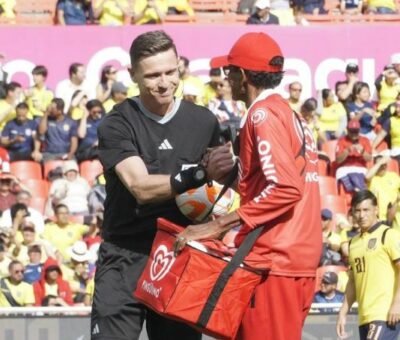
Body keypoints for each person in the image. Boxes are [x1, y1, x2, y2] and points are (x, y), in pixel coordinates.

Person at [177, 32, 322, 340]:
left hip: (274, 259)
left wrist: (216, 227)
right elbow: (281, 183)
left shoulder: (262, 113)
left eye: (228, 71)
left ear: (242, 75)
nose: (225, 78)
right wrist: (236, 172)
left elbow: (285, 189)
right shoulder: (290, 114)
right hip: (294, 256)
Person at [91, 30, 232, 340]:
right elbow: (140, 186)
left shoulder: (204, 121)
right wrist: (198, 174)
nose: (164, 82)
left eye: (171, 71)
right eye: (153, 75)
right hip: (125, 255)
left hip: (181, 253)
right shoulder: (117, 122)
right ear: (132, 75)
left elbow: (221, 184)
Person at [336, 190, 400, 340]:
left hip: (386, 313)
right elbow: (352, 281)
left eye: (366, 210)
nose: (361, 215)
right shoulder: (353, 243)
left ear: (376, 210)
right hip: (364, 317)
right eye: (357, 211)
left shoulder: (388, 235)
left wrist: (397, 304)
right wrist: (343, 312)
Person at [32, 98, 78, 162]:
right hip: (49, 154)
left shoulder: (71, 122)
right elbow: (41, 132)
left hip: (65, 154)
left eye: (52, 108)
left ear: (60, 110)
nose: (50, 110)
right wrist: (46, 113)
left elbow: (74, 141)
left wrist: (70, 154)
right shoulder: (45, 120)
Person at [335, 119, 372, 193]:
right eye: (351, 131)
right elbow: (338, 160)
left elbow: (369, 159)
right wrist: (347, 151)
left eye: (356, 131)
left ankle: (355, 188)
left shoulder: (365, 140)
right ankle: (356, 188)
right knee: (340, 172)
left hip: (360, 168)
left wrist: (362, 151)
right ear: (347, 130)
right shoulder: (342, 140)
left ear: (359, 130)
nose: (354, 134)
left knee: (364, 174)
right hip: (345, 168)